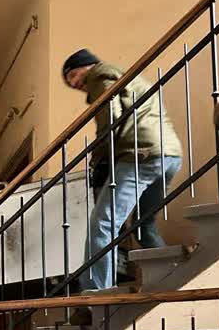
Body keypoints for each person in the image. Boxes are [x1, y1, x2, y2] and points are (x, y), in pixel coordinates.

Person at [62, 49, 183, 294]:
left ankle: (97, 293)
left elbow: (111, 118)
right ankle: (173, 275)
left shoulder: (99, 76)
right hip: (169, 155)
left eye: (73, 76)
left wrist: (99, 161)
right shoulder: (127, 78)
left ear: (88, 66)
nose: (74, 84)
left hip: (140, 155)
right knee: (143, 225)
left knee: (103, 224)